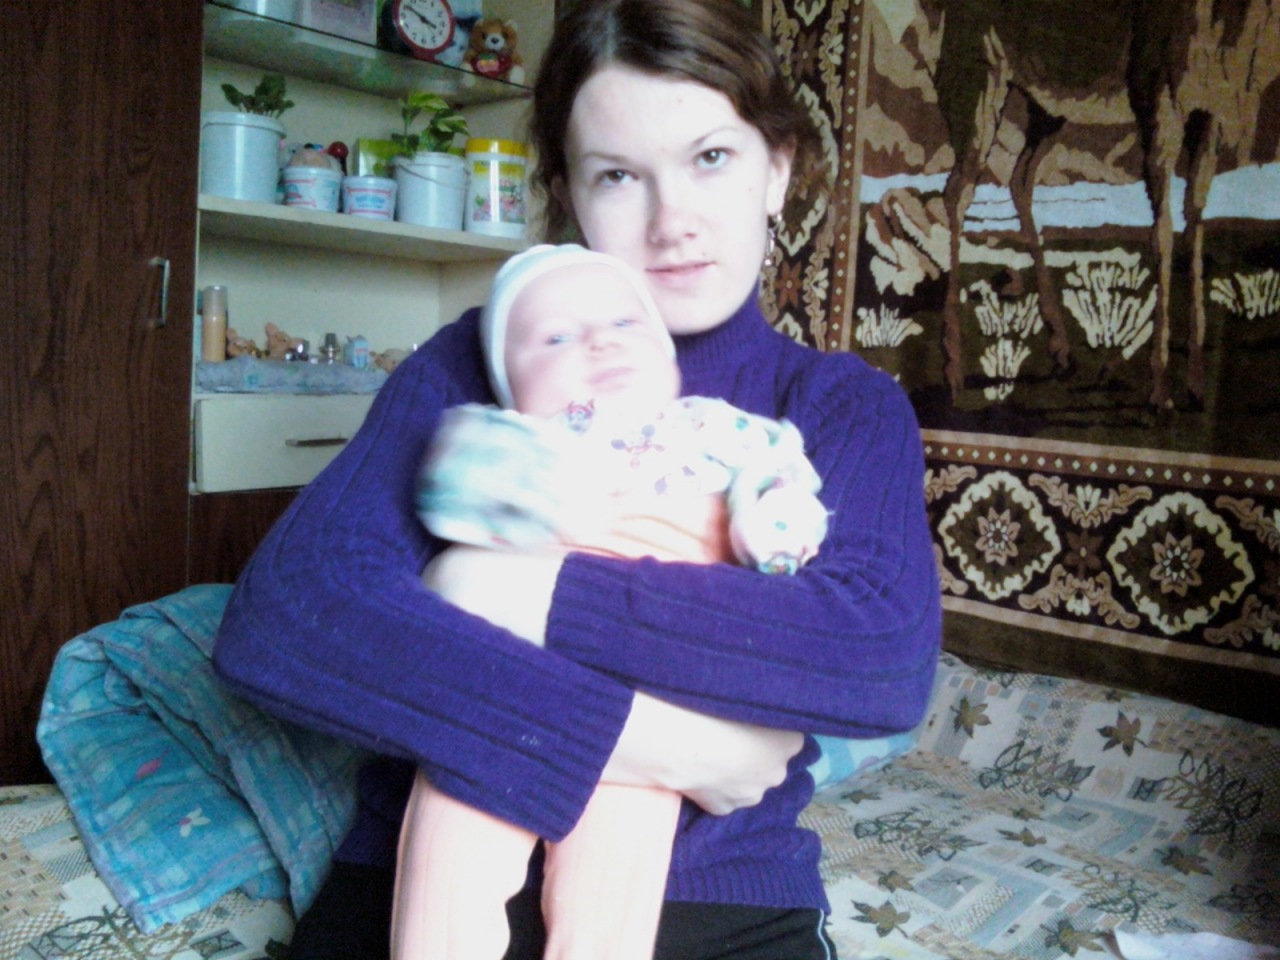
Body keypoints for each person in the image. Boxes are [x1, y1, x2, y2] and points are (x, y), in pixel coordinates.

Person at [212, 0, 943, 957]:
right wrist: (664, 744)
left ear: (777, 168)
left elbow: (877, 655)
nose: (672, 222)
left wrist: (506, 588)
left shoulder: (840, 404)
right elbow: (289, 615)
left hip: (717, 899)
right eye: (618, 176)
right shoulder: (473, 363)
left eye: (710, 157)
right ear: (568, 195)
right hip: (415, 884)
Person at [397, 242, 832, 960]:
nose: (599, 341)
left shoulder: (713, 426)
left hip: (654, 698)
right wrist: (524, 487)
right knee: (453, 839)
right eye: (555, 337)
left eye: (626, 324)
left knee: (613, 877)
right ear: (510, 384)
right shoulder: (510, 436)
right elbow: (451, 496)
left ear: (667, 356)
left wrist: (774, 522)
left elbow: (781, 475)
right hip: (512, 690)